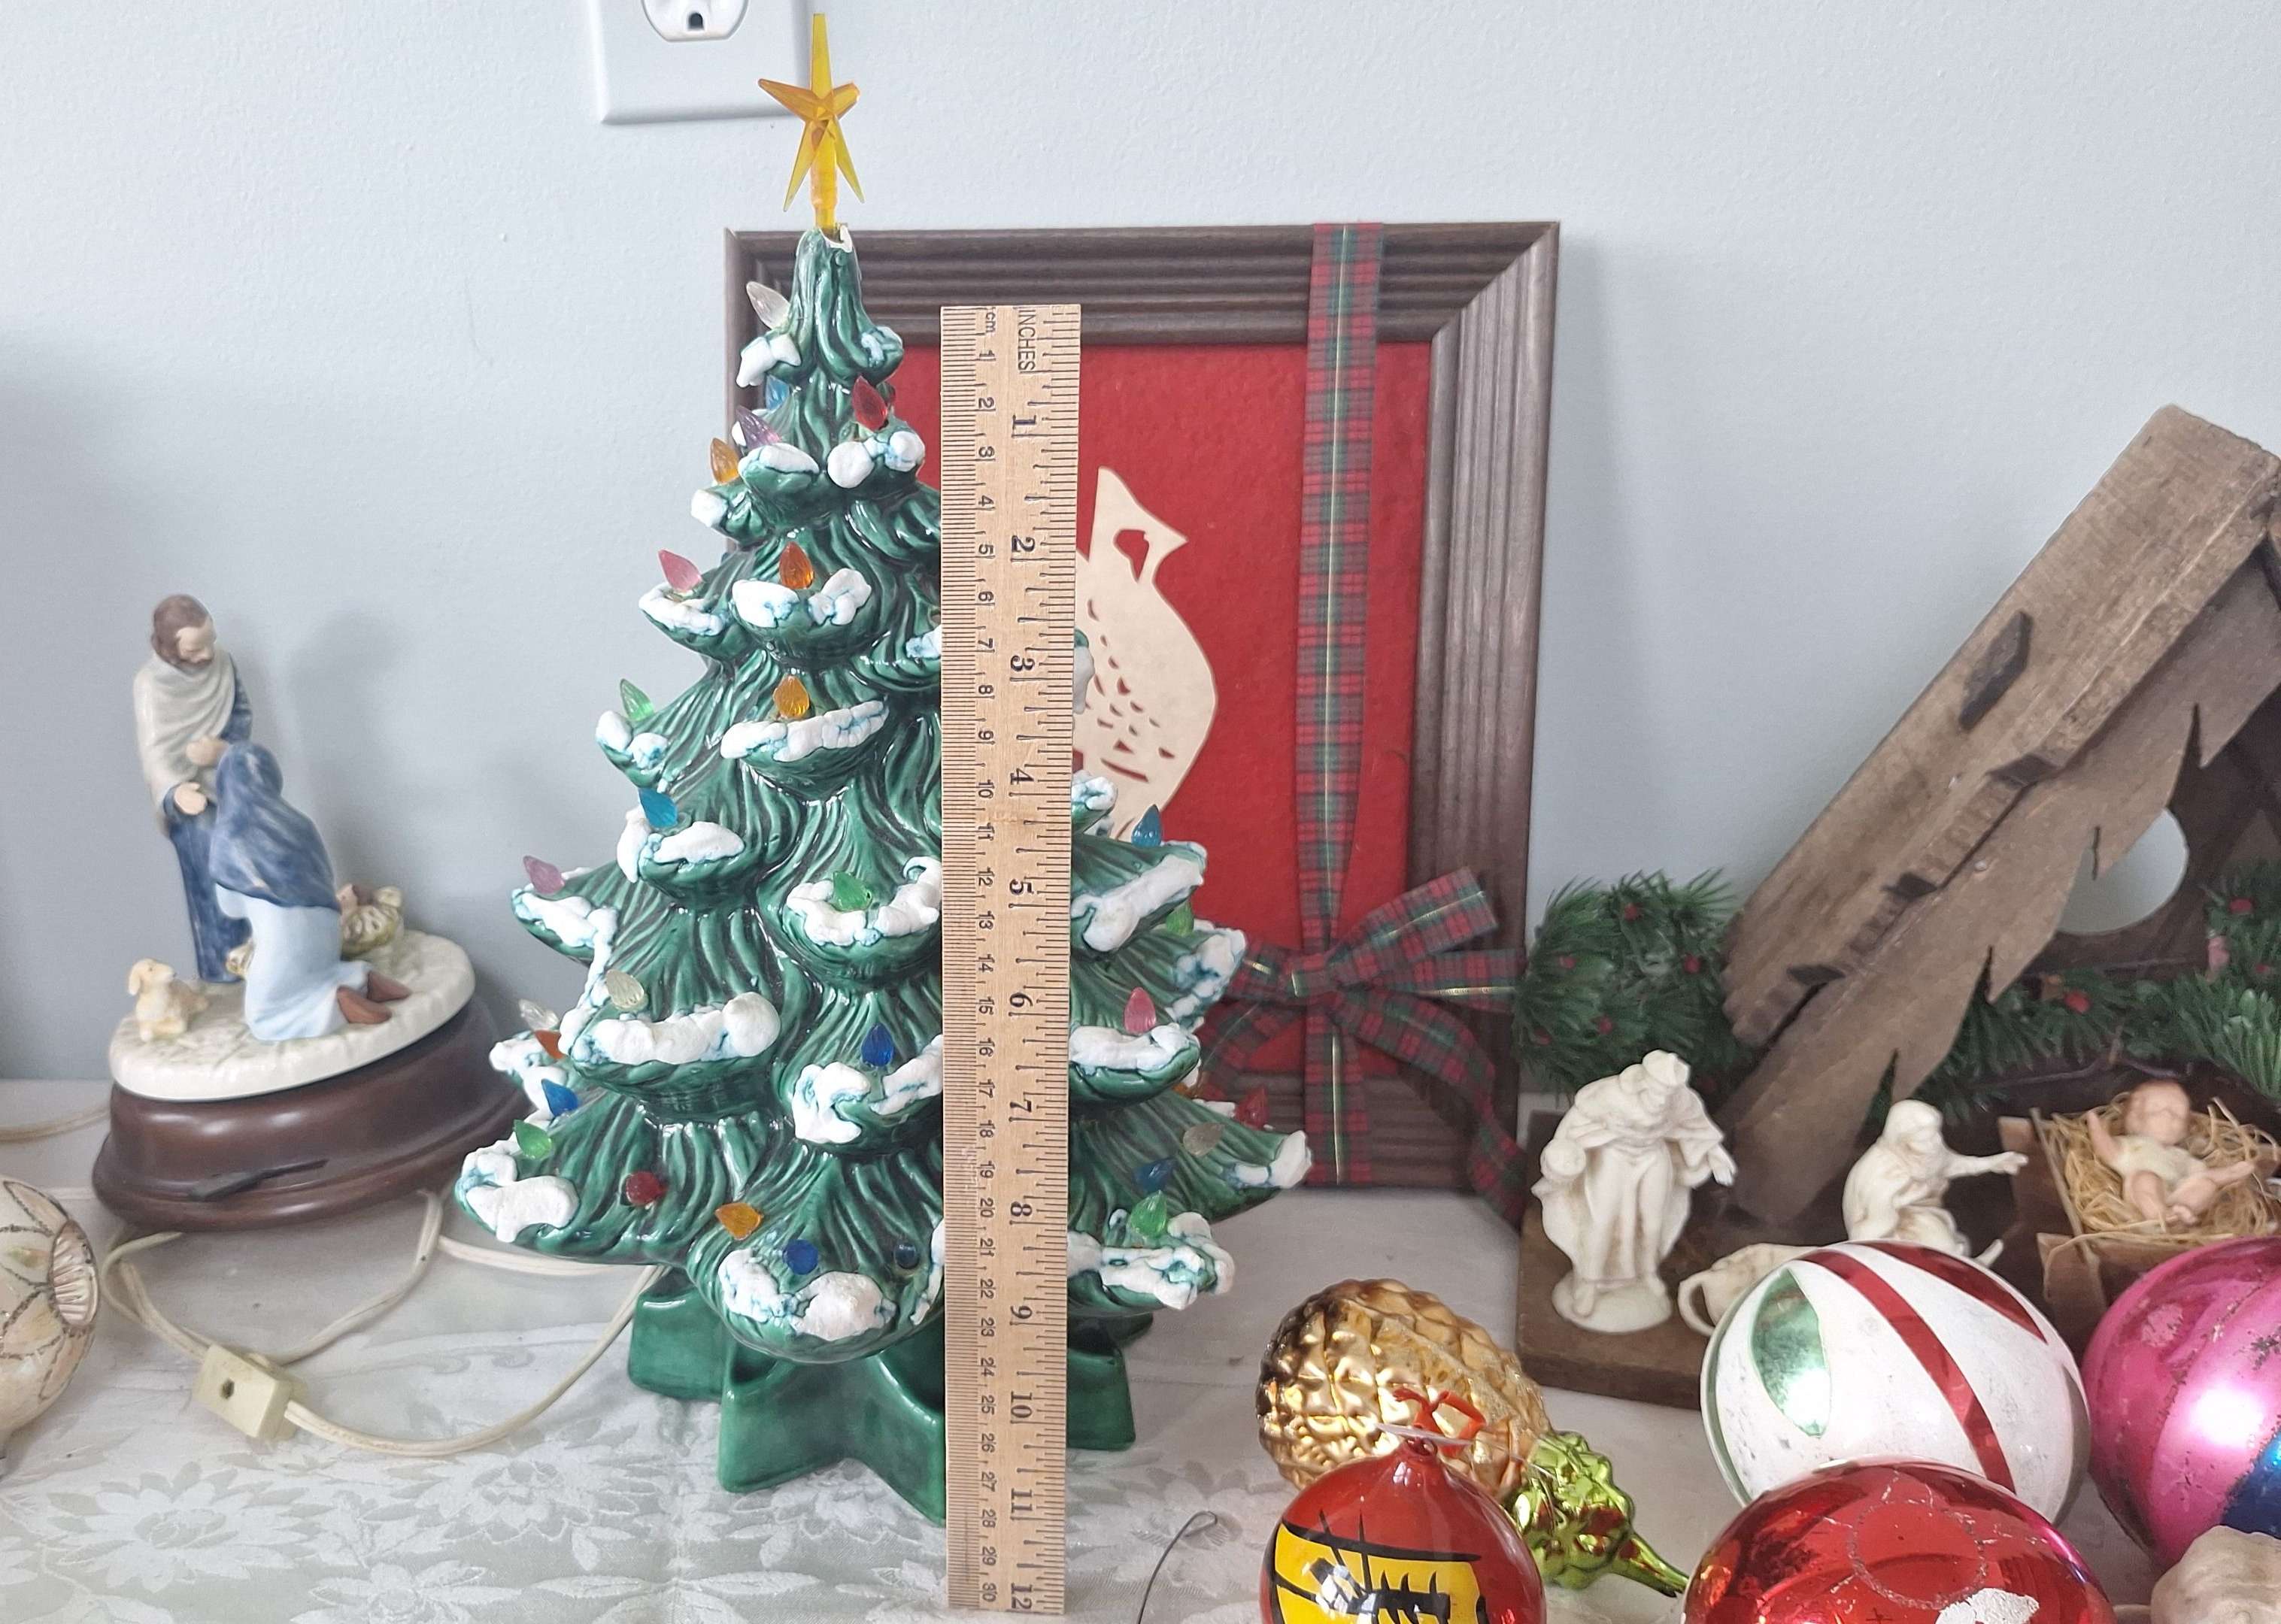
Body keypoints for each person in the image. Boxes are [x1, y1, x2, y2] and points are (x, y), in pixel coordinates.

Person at [207, 744, 408, 1041]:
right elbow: (326, 876)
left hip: (283, 945)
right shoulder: (300, 824)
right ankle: (362, 979)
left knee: (264, 1017)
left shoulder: (228, 836)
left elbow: (230, 907)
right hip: (327, 931)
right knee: (320, 972)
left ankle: (336, 1005)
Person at [1534, 1050, 1735, 1332]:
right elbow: (1572, 1128)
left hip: (1653, 1157)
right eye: (1658, 1092)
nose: (1662, 1100)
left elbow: (1697, 1126)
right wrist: (1561, 1161)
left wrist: (1715, 1154)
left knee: (1653, 1221)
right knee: (1602, 1221)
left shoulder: (1679, 1100)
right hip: (1614, 1156)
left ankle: (1647, 1273)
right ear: (1643, 1083)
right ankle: (1588, 1283)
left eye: (1668, 1094)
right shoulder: (1611, 1096)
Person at [131, 595, 252, 981]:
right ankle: (225, 967)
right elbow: (155, 754)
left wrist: (224, 750)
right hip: (189, 798)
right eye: (194, 649)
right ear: (169, 648)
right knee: (210, 850)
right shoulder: (151, 685)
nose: (207, 655)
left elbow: (240, 717)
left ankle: (268, 952)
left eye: (210, 642)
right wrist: (176, 791)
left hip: (229, 779)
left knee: (262, 845)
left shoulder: (223, 664)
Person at [1842, 1098, 2025, 1257]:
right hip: (1891, 1226)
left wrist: (1992, 1163)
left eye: (1935, 1135)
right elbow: (1870, 1225)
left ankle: (1961, 1270)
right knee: (1936, 1249)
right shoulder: (1884, 1169)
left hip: (1920, 1213)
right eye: (1924, 1141)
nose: (1934, 1143)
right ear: (1903, 1140)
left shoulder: (1929, 1152)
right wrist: (1902, 1200)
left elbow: (1952, 1164)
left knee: (1946, 1246)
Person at [2086, 1077, 2261, 1228]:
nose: (2168, 1116)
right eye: (2157, 1110)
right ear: (2134, 1117)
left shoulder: (2181, 1155)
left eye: (2177, 1114)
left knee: (2206, 1185)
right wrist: (2097, 1130)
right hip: (2143, 1209)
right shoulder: (2133, 1144)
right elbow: (2108, 1151)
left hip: (2176, 1197)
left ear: (2186, 1129)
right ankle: (2160, 1216)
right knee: (2145, 1179)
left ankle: (2181, 1215)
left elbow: (2200, 1175)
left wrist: (2228, 1174)